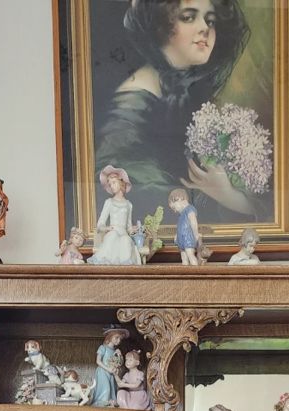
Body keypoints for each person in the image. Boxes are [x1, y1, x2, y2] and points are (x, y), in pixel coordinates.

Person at [95, 0, 251, 221]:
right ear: (160, 26)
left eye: (211, 20)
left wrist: (227, 194)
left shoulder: (192, 92)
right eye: (188, 17)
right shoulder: (134, 102)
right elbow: (125, 179)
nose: (205, 28)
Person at [89, 165, 140, 265]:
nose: (111, 186)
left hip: (124, 234)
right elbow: (100, 225)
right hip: (113, 232)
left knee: (126, 240)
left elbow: (128, 227)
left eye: (113, 183)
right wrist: (107, 228)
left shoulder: (128, 205)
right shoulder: (109, 202)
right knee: (113, 236)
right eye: (110, 184)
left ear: (121, 183)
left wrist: (135, 229)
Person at [91, 328, 128, 406]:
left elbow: (119, 363)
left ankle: (110, 402)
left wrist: (119, 355)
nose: (118, 341)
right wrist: (108, 369)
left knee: (112, 388)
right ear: (110, 337)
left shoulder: (115, 350)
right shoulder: (103, 347)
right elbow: (98, 361)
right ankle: (102, 402)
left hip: (111, 373)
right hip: (103, 372)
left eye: (120, 339)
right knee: (106, 388)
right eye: (116, 338)